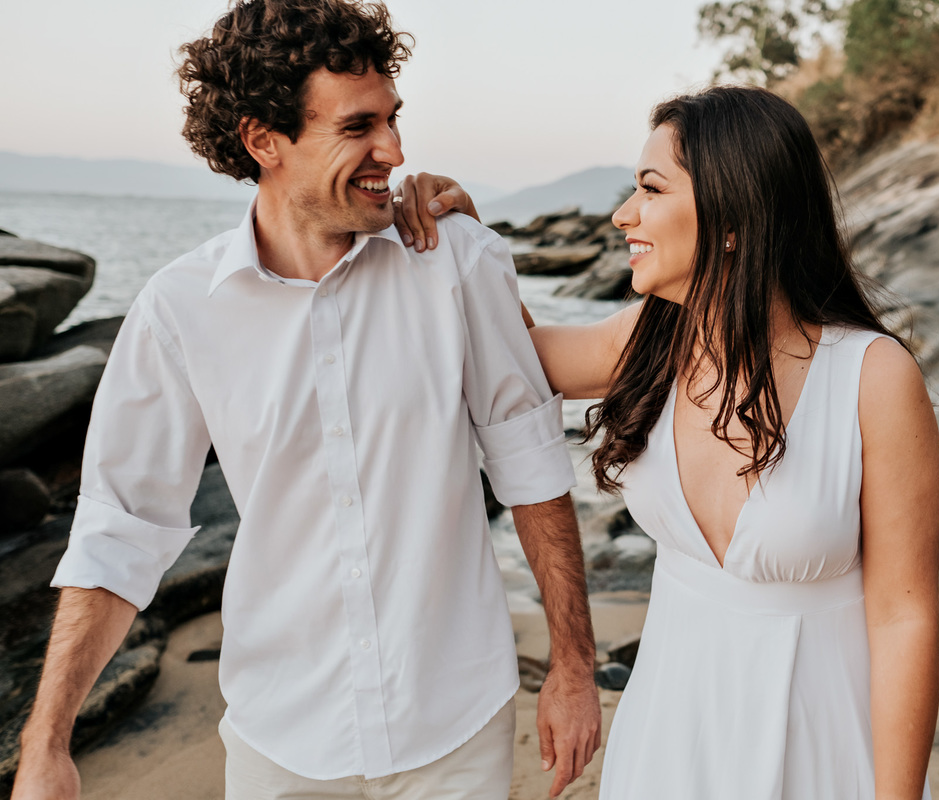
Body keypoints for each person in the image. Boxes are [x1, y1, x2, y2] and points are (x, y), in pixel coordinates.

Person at [11, 2, 601, 799]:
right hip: (281, 736)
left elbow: (530, 462)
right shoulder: (179, 308)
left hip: (456, 724)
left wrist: (573, 665)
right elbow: (122, 528)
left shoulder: (456, 260)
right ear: (263, 140)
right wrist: (47, 742)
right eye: (359, 126)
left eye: (393, 120)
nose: (393, 151)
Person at [422, 85, 939, 798]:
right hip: (667, 736)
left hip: (817, 744)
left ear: (732, 217)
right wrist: (470, 240)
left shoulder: (872, 378)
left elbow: (905, 618)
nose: (622, 215)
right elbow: (511, 356)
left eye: (650, 189)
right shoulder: (649, 341)